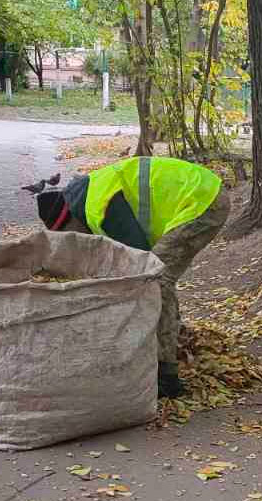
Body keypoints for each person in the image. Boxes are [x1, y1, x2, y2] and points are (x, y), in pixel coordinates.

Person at [36, 156, 230, 398]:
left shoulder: (99, 207)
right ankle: (172, 337)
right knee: (159, 277)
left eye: (70, 236)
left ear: (69, 222)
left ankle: (166, 375)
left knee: (155, 279)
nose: (77, 241)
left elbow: (141, 262)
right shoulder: (87, 195)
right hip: (198, 192)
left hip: (200, 200)